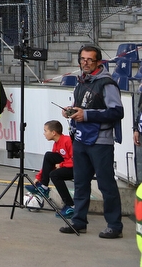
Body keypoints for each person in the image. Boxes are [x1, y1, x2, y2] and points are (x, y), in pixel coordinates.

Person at [60, 43, 124, 238]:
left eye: (90, 59)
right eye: (82, 59)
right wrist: (70, 111)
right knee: (80, 183)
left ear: (98, 61)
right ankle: (79, 221)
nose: (85, 62)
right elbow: (82, 106)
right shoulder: (81, 81)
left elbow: (116, 111)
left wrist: (86, 116)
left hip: (100, 141)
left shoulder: (107, 83)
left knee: (106, 185)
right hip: (80, 139)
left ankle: (114, 226)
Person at [24, 120, 75, 218]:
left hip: (76, 168)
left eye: (45, 131)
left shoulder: (67, 140)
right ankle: (44, 187)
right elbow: (48, 164)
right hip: (67, 166)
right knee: (48, 156)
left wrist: (62, 164)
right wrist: (38, 177)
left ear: (53, 132)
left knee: (54, 174)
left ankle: (70, 205)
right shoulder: (56, 144)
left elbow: (76, 160)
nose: (44, 134)